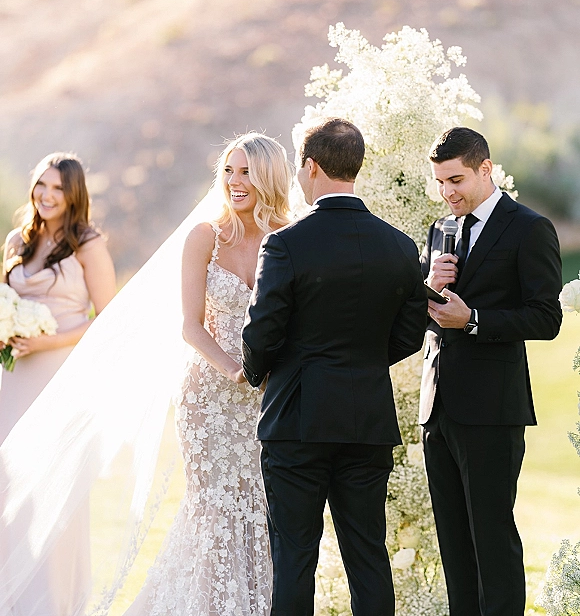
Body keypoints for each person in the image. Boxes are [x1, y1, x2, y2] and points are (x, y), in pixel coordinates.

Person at [241, 118, 428, 616]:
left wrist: (262, 372)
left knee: (295, 555)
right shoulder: (400, 246)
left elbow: (261, 332)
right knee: (368, 555)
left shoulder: (285, 244)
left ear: (312, 167)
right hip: (366, 418)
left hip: (296, 420)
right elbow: (410, 333)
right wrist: (362, 363)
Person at [123, 132, 292, 616]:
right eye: (229, 172)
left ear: (269, 177)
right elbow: (189, 326)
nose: (236, 183)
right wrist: (231, 368)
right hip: (208, 399)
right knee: (215, 510)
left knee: (260, 511)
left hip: (268, 398)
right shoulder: (204, 236)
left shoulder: (288, 236)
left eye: (247, 173)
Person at [419, 127, 562, 616]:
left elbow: (546, 317)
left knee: (491, 542)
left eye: (456, 179)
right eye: (440, 182)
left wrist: (474, 320)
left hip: (492, 410)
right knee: (454, 546)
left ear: (486, 169)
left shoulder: (529, 228)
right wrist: (425, 287)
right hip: (436, 409)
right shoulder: (439, 229)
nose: (448, 192)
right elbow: (424, 313)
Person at [0, 151, 116, 615]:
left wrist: (49, 343)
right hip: (12, 377)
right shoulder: (17, 239)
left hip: (60, 376)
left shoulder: (88, 243)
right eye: (41, 185)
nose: (47, 196)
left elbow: (108, 318)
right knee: (8, 484)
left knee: (53, 484)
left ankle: (54, 602)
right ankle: (11, 593)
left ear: (73, 196)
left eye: (58, 189)